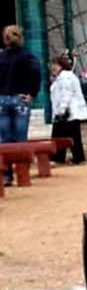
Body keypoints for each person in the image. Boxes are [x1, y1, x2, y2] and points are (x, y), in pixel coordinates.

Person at [0, 25, 41, 186]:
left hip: (2, 99)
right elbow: (36, 73)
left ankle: (6, 175)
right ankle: (23, 174)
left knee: (5, 139)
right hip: (20, 99)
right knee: (20, 139)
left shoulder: (1, 57)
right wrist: (32, 93)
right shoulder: (28, 56)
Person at [49, 55, 87, 165]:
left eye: (55, 65)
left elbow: (66, 94)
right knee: (72, 136)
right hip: (68, 112)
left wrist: (61, 110)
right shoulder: (62, 78)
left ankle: (58, 158)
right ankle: (76, 158)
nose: (52, 67)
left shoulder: (65, 77)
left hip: (68, 112)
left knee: (60, 135)